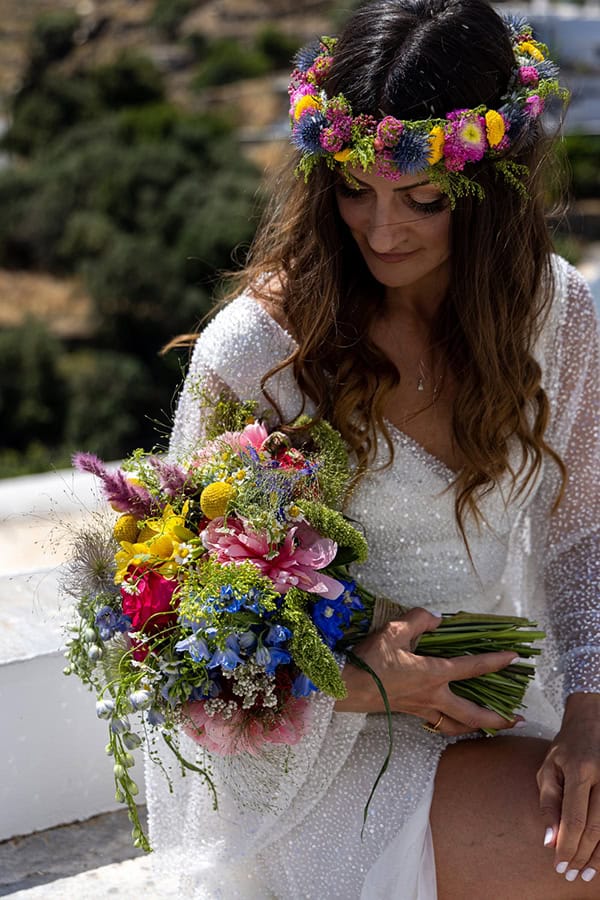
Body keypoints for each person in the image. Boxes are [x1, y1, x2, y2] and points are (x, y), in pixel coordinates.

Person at [145, 1, 600, 897]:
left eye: (422, 199)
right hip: (325, 763)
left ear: (492, 188)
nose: (381, 230)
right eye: (354, 189)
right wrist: (363, 678)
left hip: (500, 713)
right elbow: (178, 654)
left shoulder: (559, 315)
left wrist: (590, 712)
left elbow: (583, 537)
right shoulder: (262, 358)